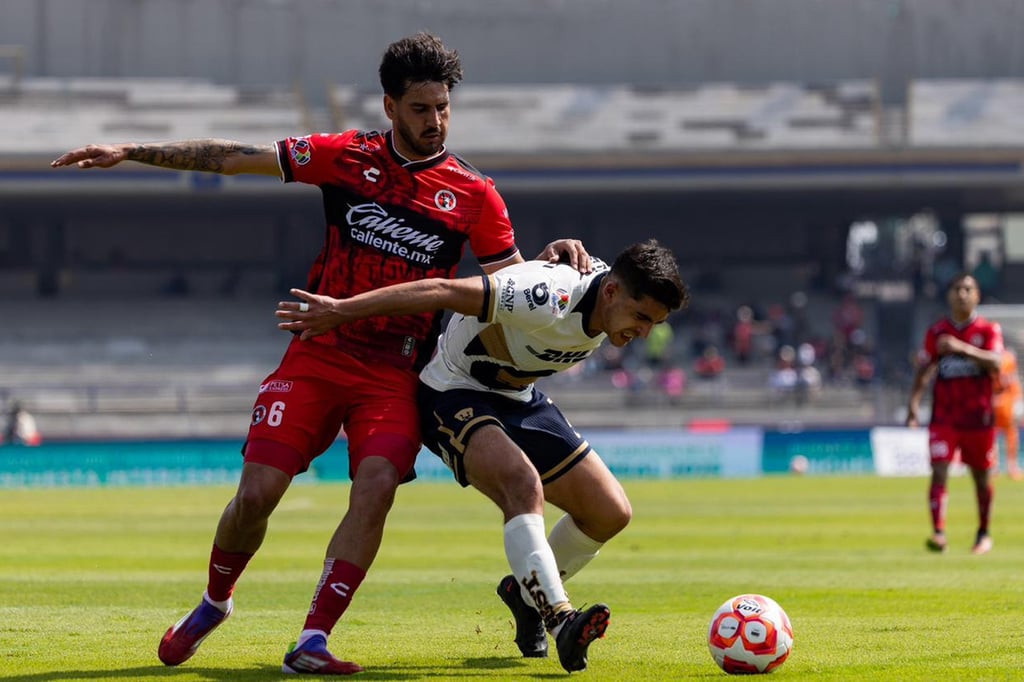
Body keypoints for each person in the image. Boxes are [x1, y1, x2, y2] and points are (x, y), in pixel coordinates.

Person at [51, 32, 590, 675]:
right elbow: (235, 158)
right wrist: (131, 152)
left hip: (395, 371)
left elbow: (508, 285)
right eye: (420, 109)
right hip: (318, 351)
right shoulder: (345, 157)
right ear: (390, 107)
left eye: (443, 107)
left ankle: (312, 639)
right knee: (256, 495)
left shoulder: (474, 193)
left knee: (378, 484)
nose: (435, 121)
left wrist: (552, 263)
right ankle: (215, 601)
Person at [276, 239, 689, 673]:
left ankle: (525, 596)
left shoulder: (606, 298)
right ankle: (559, 618)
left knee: (610, 512)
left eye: (653, 323)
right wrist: (339, 310)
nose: (644, 333)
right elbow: (438, 290)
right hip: (450, 390)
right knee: (522, 485)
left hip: (517, 397)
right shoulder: (546, 295)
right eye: (641, 318)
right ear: (611, 292)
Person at [906, 273, 1004, 555]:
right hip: (945, 416)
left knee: (982, 478)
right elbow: (924, 370)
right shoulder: (936, 332)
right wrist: (914, 403)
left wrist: (961, 348)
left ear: (977, 296)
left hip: (979, 418)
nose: (962, 294)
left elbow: (996, 362)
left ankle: (983, 534)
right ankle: (938, 533)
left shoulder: (988, 330)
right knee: (939, 471)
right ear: (949, 295)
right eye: (957, 289)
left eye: (968, 289)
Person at [993, 348, 1023, 480]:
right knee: (992, 435)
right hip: (994, 399)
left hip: (1006, 401)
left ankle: (1011, 466)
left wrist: (1018, 401)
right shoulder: (994, 357)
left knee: (1010, 433)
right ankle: (994, 466)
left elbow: (1013, 383)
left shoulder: (1008, 359)